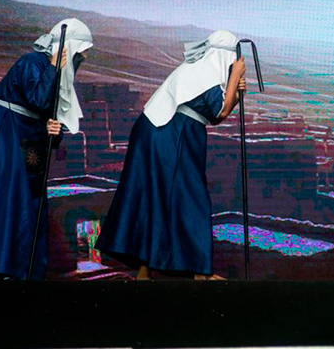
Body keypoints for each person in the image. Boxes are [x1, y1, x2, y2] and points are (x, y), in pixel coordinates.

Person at [95, 30, 246, 280]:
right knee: (190, 197)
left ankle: (144, 270)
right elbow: (219, 113)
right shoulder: (207, 74)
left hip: (159, 132)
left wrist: (236, 92)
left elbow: (216, 113)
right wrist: (235, 79)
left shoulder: (198, 70)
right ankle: (198, 272)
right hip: (171, 134)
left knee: (153, 196)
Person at [0, 18, 94, 279]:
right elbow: (37, 99)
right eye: (81, 53)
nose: (84, 58)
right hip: (4, 135)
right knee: (2, 200)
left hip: (29, 138)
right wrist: (53, 67)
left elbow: (51, 111)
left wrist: (54, 130)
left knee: (31, 199)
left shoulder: (57, 73)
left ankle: (26, 270)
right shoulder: (31, 63)